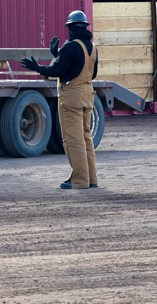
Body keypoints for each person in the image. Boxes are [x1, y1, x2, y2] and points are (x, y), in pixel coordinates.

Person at [20, 10, 99, 190]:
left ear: (70, 29)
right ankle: (91, 179)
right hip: (88, 96)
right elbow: (90, 73)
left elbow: (57, 71)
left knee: (73, 139)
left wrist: (36, 67)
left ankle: (79, 180)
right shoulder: (93, 48)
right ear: (85, 27)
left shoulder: (70, 47)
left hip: (72, 97)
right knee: (86, 138)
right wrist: (58, 54)